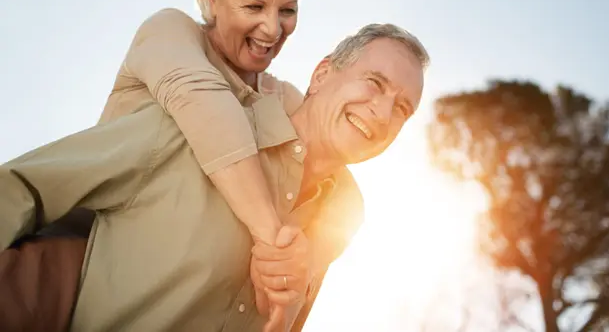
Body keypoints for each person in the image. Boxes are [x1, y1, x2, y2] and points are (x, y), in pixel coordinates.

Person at [0, 23, 429, 332]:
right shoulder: (185, 131)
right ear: (321, 74)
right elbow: (19, 188)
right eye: (374, 82)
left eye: (403, 108)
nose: (384, 112)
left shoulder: (333, 228)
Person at [41, 0, 313, 330]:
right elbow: (208, 105)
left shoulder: (283, 97)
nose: (273, 28)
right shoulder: (170, 33)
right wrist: (272, 240)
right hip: (93, 294)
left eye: (288, 9)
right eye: (254, 6)